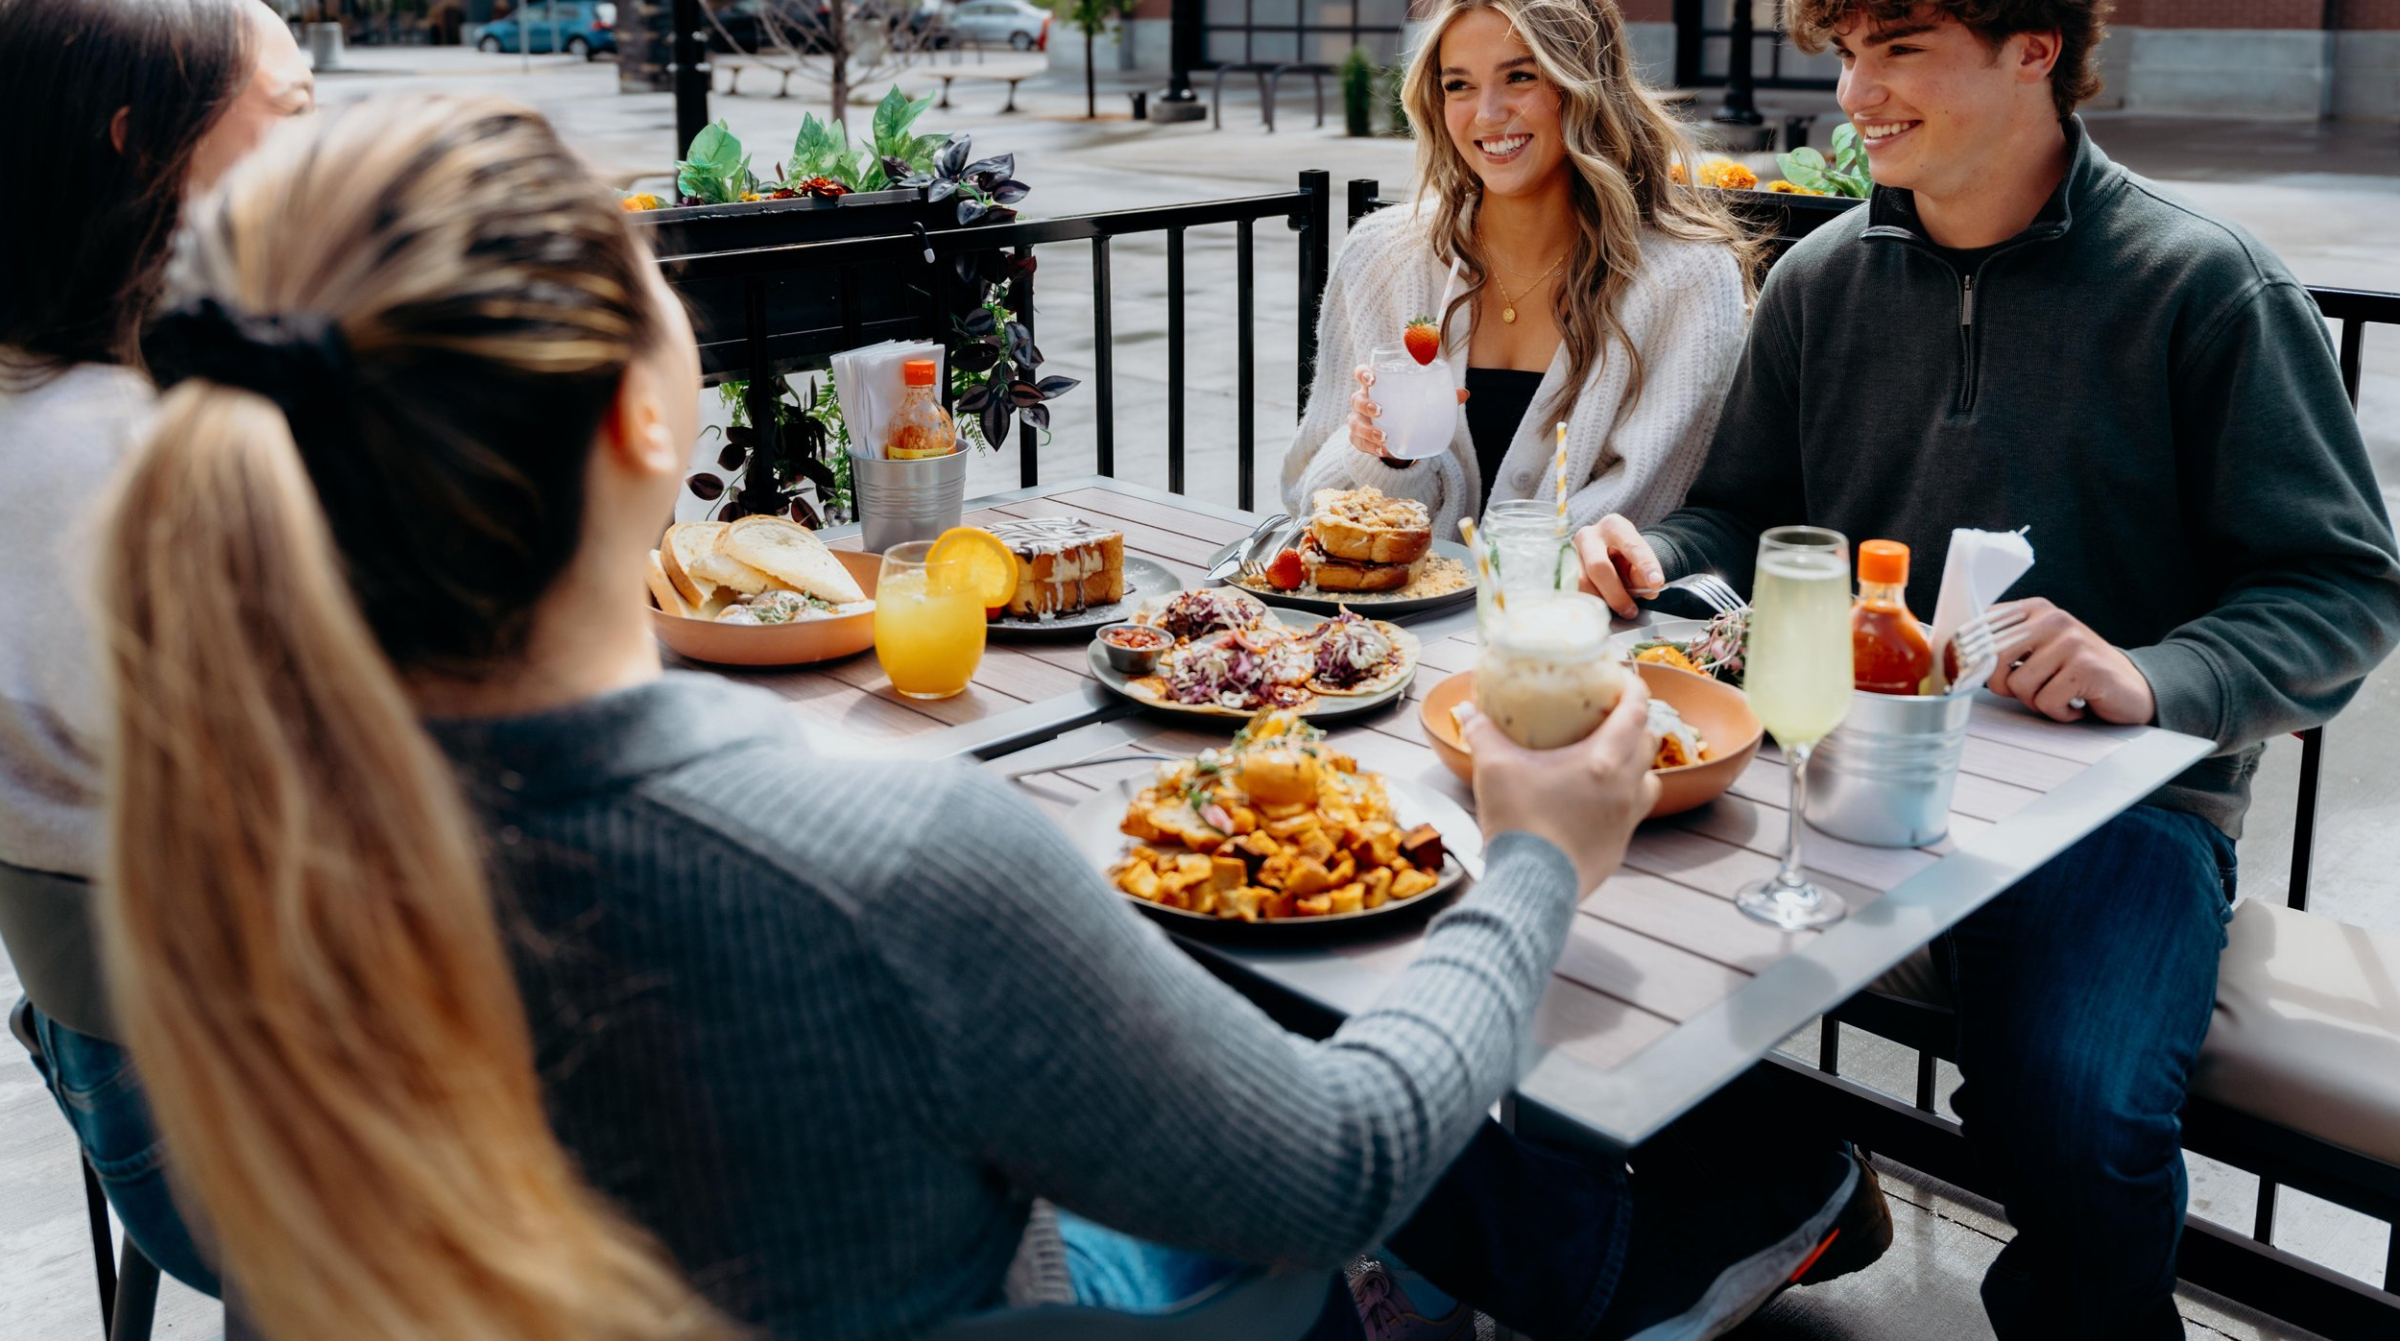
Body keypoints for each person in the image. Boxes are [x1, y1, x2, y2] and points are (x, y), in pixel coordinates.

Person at [96, 96, 1886, 1341]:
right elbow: (1330, 1170)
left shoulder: (212, 822)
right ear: (651, 430)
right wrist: (1536, 862)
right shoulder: (878, 869)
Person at [1573, 0, 2400, 1339]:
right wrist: (1662, 560)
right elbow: (1741, 512)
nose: (1856, 95)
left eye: (1900, 50)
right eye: (1846, 53)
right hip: (1823, 758)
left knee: (2078, 1113)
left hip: (2119, 808)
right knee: (1584, 967)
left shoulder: (2208, 288)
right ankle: (1772, 1200)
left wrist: (2155, 674)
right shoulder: (1821, 279)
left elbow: (2343, 588)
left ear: (2038, 50)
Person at [0, 0, 314, 1295]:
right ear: (145, 146)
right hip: (250, 1129)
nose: (327, 145)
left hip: (117, 1060)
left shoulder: (60, 401)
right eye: (293, 112)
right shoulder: (125, 460)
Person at [1284, 0, 1752, 542]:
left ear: (1584, 87)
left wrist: (1489, 591)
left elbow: (1646, 505)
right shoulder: (1382, 255)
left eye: (1521, 77)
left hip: (1578, 627)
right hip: (1391, 627)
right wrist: (1386, 456)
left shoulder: (1687, 280)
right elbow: (1309, 503)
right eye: (1458, 85)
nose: (1486, 113)